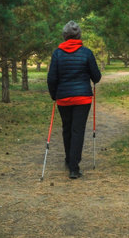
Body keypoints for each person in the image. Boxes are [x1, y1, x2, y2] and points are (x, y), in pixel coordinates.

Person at [47, 20, 102, 179]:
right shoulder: (86, 53)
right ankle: (74, 167)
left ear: (64, 36)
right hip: (82, 98)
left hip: (63, 98)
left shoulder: (57, 53)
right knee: (77, 130)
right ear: (79, 35)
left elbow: (52, 79)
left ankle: (69, 159)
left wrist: (54, 95)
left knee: (67, 128)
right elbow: (96, 77)